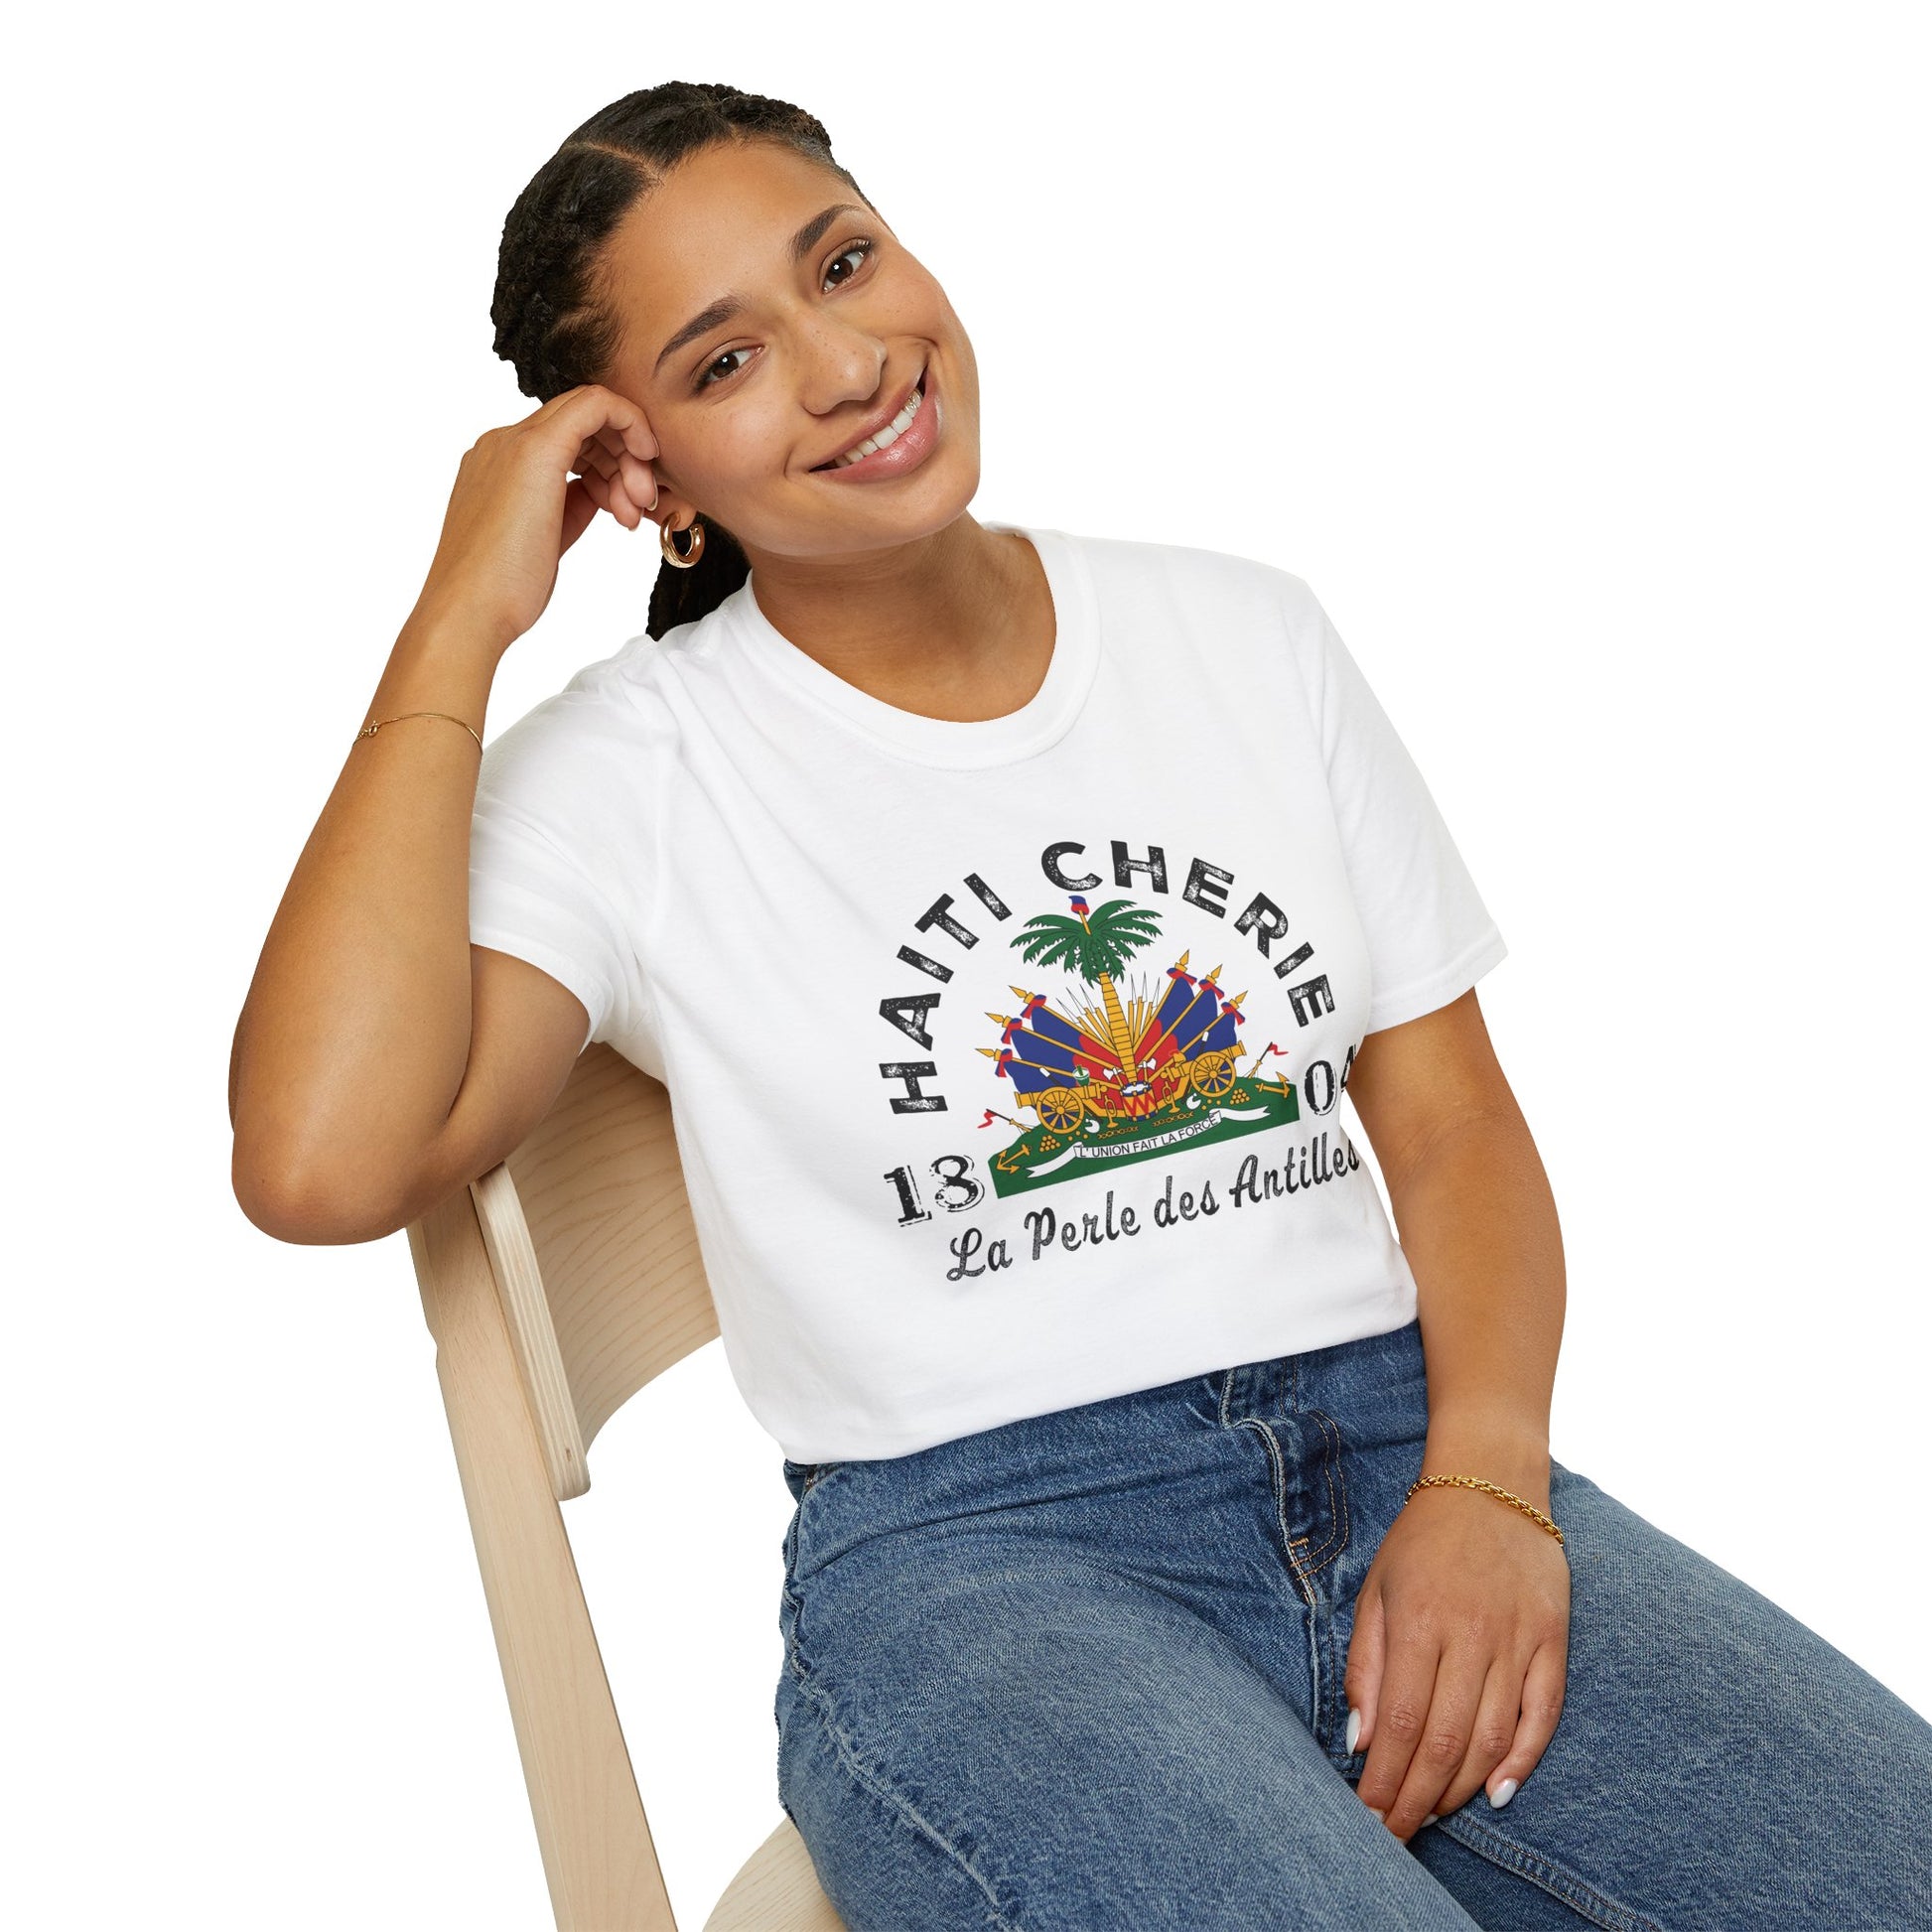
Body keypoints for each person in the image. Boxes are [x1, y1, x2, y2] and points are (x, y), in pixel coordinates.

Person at [228, 80, 1932, 1931]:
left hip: (1402, 1445)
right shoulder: (632, 773)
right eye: (725, 363)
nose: (846, 362)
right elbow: (321, 1159)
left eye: (845, 262)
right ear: (646, 479)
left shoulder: (1243, 635)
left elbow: (1446, 1122)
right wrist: (456, 617)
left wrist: (1490, 1483)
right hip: (981, 1566)